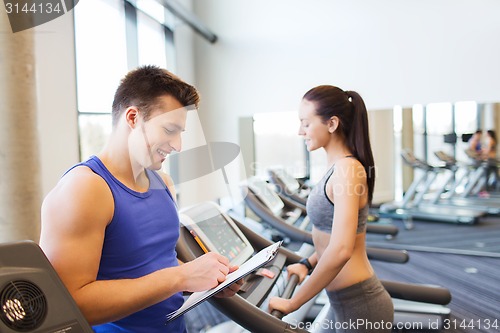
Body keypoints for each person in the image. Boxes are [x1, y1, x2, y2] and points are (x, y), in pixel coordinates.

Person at [39, 65, 241, 333]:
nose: (178, 145)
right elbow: (68, 304)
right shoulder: (85, 189)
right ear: (133, 117)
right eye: (170, 129)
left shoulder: (163, 183)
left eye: (181, 132)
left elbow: (157, 264)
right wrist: (181, 277)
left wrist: (202, 279)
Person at [268, 86, 393, 332]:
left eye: (305, 123)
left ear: (332, 123)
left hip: (361, 306)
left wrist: (294, 302)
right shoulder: (337, 166)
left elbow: (342, 248)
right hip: (341, 302)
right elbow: (333, 236)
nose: (300, 131)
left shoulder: (348, 169)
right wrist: (307, 262)